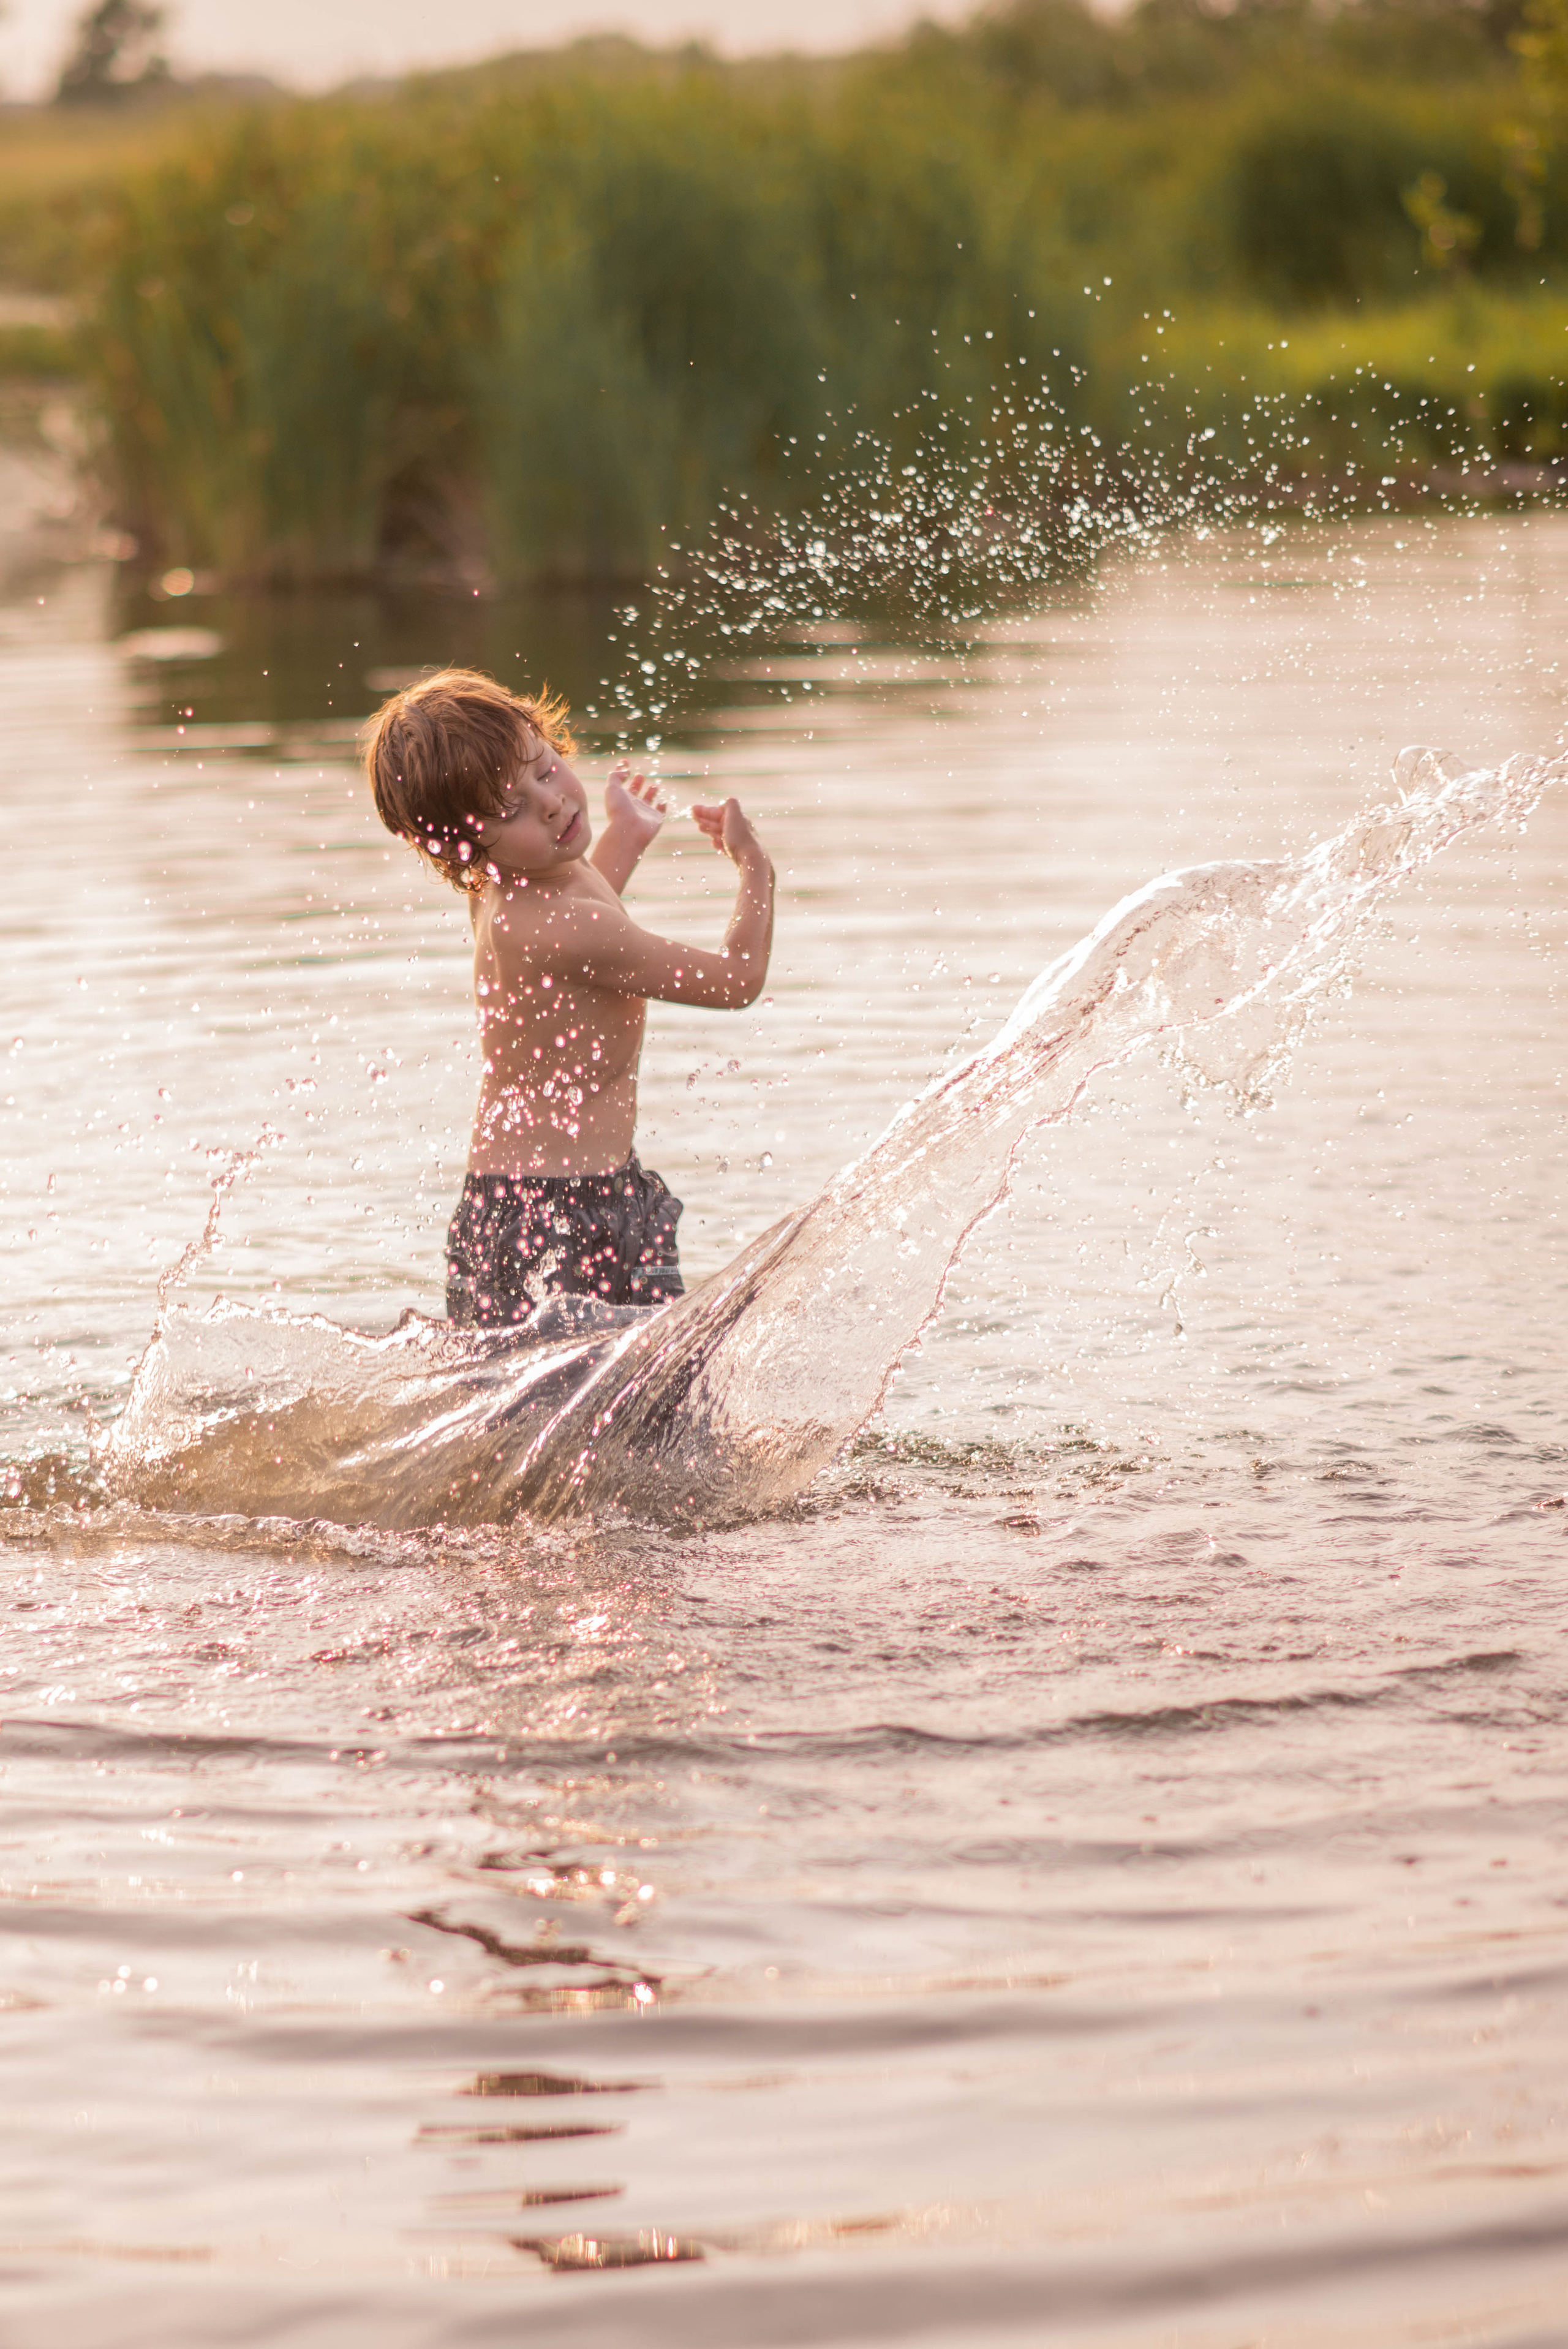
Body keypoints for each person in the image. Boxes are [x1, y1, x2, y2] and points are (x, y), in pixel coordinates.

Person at [363, 667, 774, 1327]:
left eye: (545, 769)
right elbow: (735, 980)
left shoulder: (504, 886)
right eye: (511, 806)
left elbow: (580, 936)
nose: (550, 803)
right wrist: (756, 868)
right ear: (462, 843)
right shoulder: (567, 926)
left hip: (520, 1206)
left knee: (547, 1411)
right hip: (564, 1217)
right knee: (633, 1410)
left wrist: (625, 838)